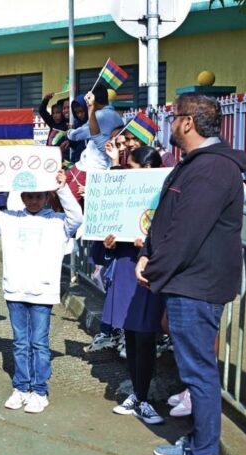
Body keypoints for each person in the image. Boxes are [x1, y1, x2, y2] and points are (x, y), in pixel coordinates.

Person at [136, 94, 246, 455]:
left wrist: (152, 271)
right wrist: (145, 253)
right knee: (193, 374)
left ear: (189, 122)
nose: (169, 122)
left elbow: (185, 233)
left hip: (197, 287)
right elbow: (165, 218)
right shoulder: (195, 164)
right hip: (186, 282)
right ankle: (196, 443)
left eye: (174, 116)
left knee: (199, 375)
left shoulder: (213, 169)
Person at [0, 164, 81, 413]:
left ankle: (40, 390)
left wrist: (63, 187)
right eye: (29, 196)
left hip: (43, 293)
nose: (33, 201)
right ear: (21, 197)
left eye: (38, 196)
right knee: (20, 343)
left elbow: (77, 217)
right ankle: (21, 387)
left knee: (39, 343)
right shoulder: (10, 219)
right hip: (15, 291)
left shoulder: (58, 222)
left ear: (46, 197)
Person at [88, 147, 166, 425]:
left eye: (137, 169)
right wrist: (108, 245)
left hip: (149, 275)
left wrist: (149, 245)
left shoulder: (165, 196)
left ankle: (144, 397)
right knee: (131, 336)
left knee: (145, 336)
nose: (131, 173)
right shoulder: (122, 192)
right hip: (123, 268)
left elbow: (174, 239)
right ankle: (137, 393)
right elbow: (101, 248)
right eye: (130, 168)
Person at [66, 84, 123, 203]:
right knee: (60, 184)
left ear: (93, 102)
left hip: (92, 166)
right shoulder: (117, 116)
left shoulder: (99, 115)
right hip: (85, 163)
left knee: (68, 200)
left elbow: (83, 133)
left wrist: (70, 133)